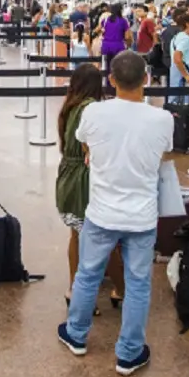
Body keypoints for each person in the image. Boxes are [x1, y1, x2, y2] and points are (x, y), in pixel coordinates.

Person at [58, 51, 176, 376]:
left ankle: (77, 335)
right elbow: (165, 153)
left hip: (101, 211)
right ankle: (129, 353)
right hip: (141, 215)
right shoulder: (162, 118)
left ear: (111, 80)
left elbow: (84, 147)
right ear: (147, 80)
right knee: (138, 283)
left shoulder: (94, 112)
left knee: (87, 273)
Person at [55, 64, 126, 313]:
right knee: (106, 238)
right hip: (86, 181)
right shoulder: (92, 110)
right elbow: (95, 148)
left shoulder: (69, 106)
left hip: (68, 178)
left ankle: (75, 289)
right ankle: (121, 288)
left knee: (77, 235)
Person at [168, 12, 189, 102]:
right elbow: (177, 57)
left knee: (176, 100)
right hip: (184, 75)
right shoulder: (185, 39)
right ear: (188, 24)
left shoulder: (176, 37)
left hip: (177, 73)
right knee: (184, 103)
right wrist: (186, 76)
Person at [99, 3, 131, 72]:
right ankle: (117, 81)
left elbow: (100, 30)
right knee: (118, 66)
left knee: (107, 66)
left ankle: (108, 81)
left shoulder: (105, 20)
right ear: (121, 10)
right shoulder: (123, 21)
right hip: (118, 45)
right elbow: (127, 36)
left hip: (106, 45)